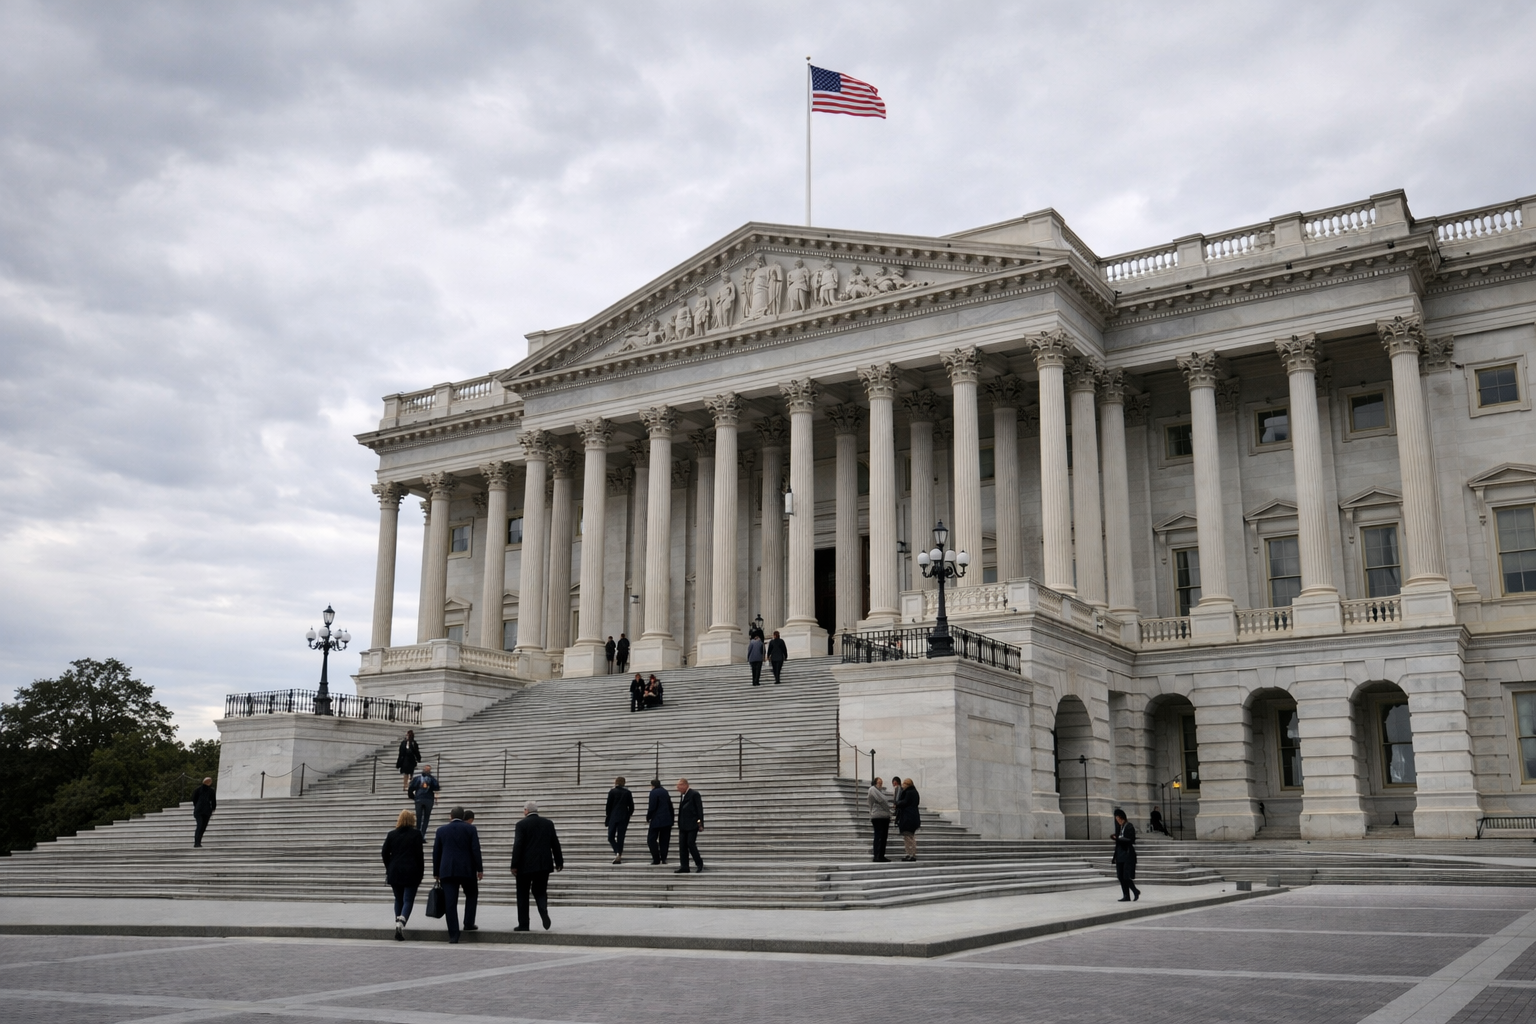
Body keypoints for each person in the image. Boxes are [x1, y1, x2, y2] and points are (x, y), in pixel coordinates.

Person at [431, 806, 483, 943]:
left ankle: (454, 935)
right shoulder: (471, 829)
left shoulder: (441, 830)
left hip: (448, 870)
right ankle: (468, 922)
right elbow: (475, 849)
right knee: (472, 894)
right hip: (467, 869)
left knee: (450, 902)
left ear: (451, 816)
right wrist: (480, 869)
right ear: (463, 816)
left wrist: (436, 872)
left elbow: (436, 852)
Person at [510, 799, 563, 931]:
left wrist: (514, 865)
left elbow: (518, 845)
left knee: (522, 894)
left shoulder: (521, 825)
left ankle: (524, 924)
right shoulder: (548, 823)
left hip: (524, 866)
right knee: (540, 891)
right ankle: (543, 909)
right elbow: (555, 843)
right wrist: (559, 861)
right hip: (543, 865)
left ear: (526, 811)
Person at [381, 808, 424, 940]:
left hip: (395, 871)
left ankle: (397, 923)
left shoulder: (391, 834)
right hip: (411, 871)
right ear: (412, 820)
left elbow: (384, 852)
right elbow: (419, 855)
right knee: (408, 899)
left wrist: (389, 866)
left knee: (398, 899)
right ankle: (402, 922)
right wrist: (421, 872)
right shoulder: (416, 834)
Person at [674, 778, 704, 874]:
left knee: (690, 844)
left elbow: (699, 810)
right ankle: (684, 866)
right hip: (683, 825)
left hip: (692, 824)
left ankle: (699, 863)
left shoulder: (694, 794)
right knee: (682, 846)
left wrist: (700, 823)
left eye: (678, 786)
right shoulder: (683, 795)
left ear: (684, 785)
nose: (677, 789)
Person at [1112, 807, 1141, 902]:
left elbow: (1131, 840)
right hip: (1120, 854)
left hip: (1127, 854)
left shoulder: (1129, 826)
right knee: (1120, 876)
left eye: (1118, 819)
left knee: (1126, 876)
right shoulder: (1119, 828)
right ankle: (1126, 895)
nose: (1118, 821)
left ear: (1122, 818)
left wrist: (1119, 839)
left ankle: (1135, 891)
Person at [606, 776, 634, 864]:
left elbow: (608, 806)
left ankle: (617, 851)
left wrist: (608, 816)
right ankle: (619, 854)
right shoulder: (628, 792)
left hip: (613, 816)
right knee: (620, 837)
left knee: (611, 836)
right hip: (624, 817)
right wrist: (628, 814)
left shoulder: (612, 791)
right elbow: (631, 806)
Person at [646, 777, 673, 865]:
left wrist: (648, 817)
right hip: (667, 820)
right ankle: (664, 858)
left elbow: (652, 806)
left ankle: (656, 858)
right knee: (664, 840)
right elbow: (670, 806)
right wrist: (672, 819)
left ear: (652, 785)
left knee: (651, 839)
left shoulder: (653, 793)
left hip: (656, 820)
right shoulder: (665, 792)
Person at [895, 776, 921, 861]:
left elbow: (905, 802)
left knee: (908, 837)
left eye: (904, 783)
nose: (902, 785)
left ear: (907, 784)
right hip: (913, 817)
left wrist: (897, 803)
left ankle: (911, 854)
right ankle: (911, 853)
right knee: (910, 836)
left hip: (908, 818)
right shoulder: (915, 792)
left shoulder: (908, 792)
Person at [410, 765, 440, 836]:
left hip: (419, 799)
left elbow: (411, 788)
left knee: (419, 817)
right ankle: (422, 834)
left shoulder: (417, 778)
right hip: (428, 799)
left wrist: (413, 797)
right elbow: (437, 788)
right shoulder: (432, 779)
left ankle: (418, 833)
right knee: (426, 818)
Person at [867, 777, 892, 863]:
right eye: (879, 782)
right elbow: (882, 801)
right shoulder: (872, 789)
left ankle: (881, 855)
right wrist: (889, 810)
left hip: (884, 816)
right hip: (877, 816)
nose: (880, 784)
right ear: (875, 783)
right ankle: (877, 855)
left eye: (881, 783)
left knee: (884, 837)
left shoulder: (880, 791)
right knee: (879, 836)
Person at [191, 777, 216, 848]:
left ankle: (198, 842)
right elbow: (213, 802)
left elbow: (194, 800)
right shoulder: (209, 790)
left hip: (202, 811)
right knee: (201, 826)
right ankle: (197, 842)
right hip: (203, 811)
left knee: (201, 827)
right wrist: (212, 809)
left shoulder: (201, 790)